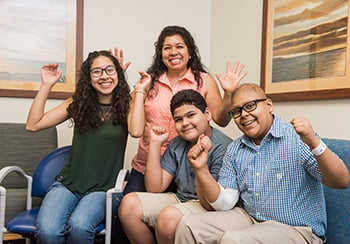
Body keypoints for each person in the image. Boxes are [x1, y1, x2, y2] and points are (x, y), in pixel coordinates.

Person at [175, 83, 350, 244]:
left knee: (234, 240)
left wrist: (314, 142)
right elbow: (224, 202)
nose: (243, 114)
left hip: (296, 229)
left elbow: (341, 181)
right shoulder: (235, 149)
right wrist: (201, 169)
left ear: (268, 105)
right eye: (236, 111)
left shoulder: (297, 138)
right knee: (187, 225)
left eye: (250, 106)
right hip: (250, 218)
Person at [125, 25, 247, 194]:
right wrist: (133, 87)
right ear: (161, 55)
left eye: (179, 46)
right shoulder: (147, 82)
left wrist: (228, 94)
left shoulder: (204, 80)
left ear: (190, 53)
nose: (173, 52)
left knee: (172, 216)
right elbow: (135, 129)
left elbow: (221, 119)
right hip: (146, 165)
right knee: (127, 210)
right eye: (167, 48)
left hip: (185, 167)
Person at [26, 50, 130, 244]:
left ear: (118, 74)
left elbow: (138, 130)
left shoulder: (128, 106)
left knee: (80, 227)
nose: (104, 76)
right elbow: (33, 124)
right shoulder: (78, 103)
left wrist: (121, 80)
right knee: (48, 231)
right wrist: (46, 86)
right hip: (69, 184)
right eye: (97, 71)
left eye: (110, 70)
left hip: (103, 189)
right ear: (88, 78)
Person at [118, 89, 232, 244]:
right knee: (128, 205)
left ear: (207, 114)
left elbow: (214, 203)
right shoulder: (177, 143)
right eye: (178, 119)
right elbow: (155, 187)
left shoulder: (224, 147)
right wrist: (155, 144)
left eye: (191, 115)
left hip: (208, 206)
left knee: (169, 217)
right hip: (181, 199)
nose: (185, 123)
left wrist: (200, 166)